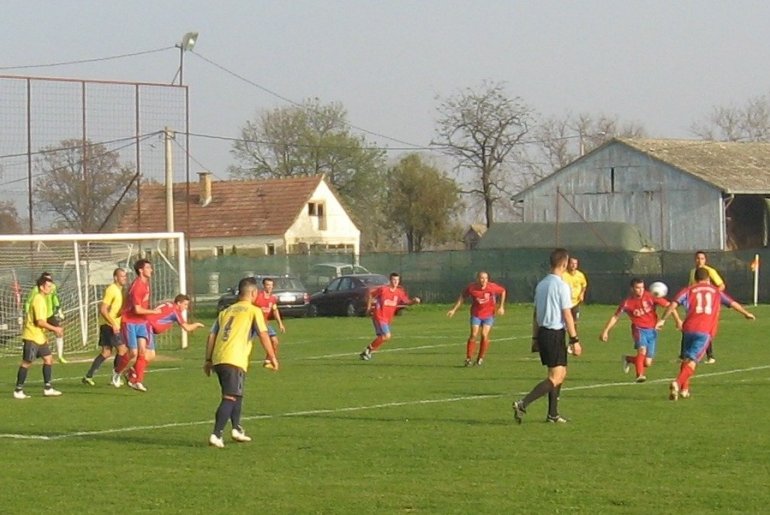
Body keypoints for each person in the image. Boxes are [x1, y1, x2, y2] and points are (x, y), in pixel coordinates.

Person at [204, 277, 277, 448]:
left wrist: (208, 360)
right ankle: (216, 434)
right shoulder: (253, 311)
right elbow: (263, 334)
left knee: (236, 394)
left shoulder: (226, 311)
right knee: (229, 397)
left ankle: (236, 429)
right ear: (253, 293)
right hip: (234, 359)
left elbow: (212, 335)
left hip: (219, 358)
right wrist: (272, 356)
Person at [660, 267, 754, 400]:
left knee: (687, 358)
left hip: (688, 329)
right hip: (704, 331)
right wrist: (746, 313)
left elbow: (673, 304)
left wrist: (662, 320)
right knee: (692, 361)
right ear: (708, 279)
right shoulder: (716, 292)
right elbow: (732, 303)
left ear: (695, 279)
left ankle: (684, 390)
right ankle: (677, 382)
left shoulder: (688, 290)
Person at [512, 248, 580, 424]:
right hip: (554, 333)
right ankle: (523, 403)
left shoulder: (541, 284)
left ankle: (553, 414)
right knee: (555, 377)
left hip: (543, 333)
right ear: (564, 264)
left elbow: (536, 314)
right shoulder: (561, 286)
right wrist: (575, 340)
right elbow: (567, 314)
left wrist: (534, 338)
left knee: (560, 373)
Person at [599, 278, 680, 383]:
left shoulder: (650, 297)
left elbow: (670, 306)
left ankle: (628, 359)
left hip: (652, 330)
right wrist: (606, 331)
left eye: (642, 287)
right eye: (638, 288)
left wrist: (678, 320)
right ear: (632, 289)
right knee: (642, 350)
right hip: (638, 329)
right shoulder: (627, 302)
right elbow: (615, 317)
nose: (641, 290)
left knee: (647, 362)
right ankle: (640, 375)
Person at [113, 259, 161, 392]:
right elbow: (137, 310)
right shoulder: (137, 286)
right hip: (130, 322)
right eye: (148, 268)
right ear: (141, 270)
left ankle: (136, 380)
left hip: (142, 322)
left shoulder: (146, 284)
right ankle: (117, 372)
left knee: (143, 352)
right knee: (132, 352)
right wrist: (154, 312)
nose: (151, 270)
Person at [13, 275, 64, 399]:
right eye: (48, 286)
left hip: (40, 336)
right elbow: (40, 322)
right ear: (41, 287)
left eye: (51, 286)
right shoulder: (38, 299)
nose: (50, 289)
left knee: (48, 359)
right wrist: (55, 329)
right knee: (27, 362)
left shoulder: (43, 298)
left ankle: (48, 388)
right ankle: (18, 390)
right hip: (32, 335)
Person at [446, 271, 506, 366]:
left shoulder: (492, 287)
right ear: (477, 279)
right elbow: (462, 297)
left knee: (484, 335)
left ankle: (480, 358)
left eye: (486, 278)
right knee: (473, 334)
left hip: (489, 315)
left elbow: (503, 291)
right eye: (482, 278)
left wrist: (501, 306)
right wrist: (454, 310)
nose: (484, 280)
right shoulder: (472, 288)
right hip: (476, 314)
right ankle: (468, 358)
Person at [82, 268, 129, 386]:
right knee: (122, 350)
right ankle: (115, 378)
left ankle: (88, 376)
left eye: (125, 276)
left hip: (112, 325)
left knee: (106, 352)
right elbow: (103, 309)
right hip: (109, 326)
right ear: (115, 278)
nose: (124, 278)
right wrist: (113, 323)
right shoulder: (111, 290)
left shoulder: (121, 290)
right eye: (122, 276)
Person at [359, 272, 421, 361]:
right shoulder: (383, 290)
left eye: (397, 280)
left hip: (387, 319)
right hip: (379, 315)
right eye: (393, 280)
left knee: (383, 337)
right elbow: (370, 294)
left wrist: (414, 301)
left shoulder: (399, 292)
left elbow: (406, 302)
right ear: (390, 280)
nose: (395, 282)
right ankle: (368, 351)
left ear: (399, 281)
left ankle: (367, 352)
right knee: (387, 336)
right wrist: (369, 308)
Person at [686, 250, 725, 364]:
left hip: (709, 306)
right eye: (698, 258)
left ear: (705, 260)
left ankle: (710, 355)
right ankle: (686, 355)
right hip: (696, 305)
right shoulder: (693, 272)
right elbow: (690, 287)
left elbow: (721, 285)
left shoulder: (710, 271)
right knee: (690, 327)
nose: (699, 260)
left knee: (706, 329)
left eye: (702, 258)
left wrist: (713, 295)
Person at [24, 272, 67, 363]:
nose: (50, 285)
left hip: (49, 314)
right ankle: (30, 347)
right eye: (48, 282)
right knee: (27, 362)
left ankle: (60, 355)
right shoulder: (36, 293)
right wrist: (27, 313)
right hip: (39, 318)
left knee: (59, 332)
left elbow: (55, 298)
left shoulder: (52, 287)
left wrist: (59, 309)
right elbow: (28, 302)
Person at [253, 277, 286, 369]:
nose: (270, 287)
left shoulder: (272, 298)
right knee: (246, 343)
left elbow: (275, 311)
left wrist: (280, 324)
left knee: (275, 341)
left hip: (265, 324)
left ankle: (267, 361)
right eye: (268, 285)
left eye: (271, 285)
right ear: (263, 286)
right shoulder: (257, 296)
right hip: (254, 324)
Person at [562, 257, 587, 355]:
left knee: (574, 323)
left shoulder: (580, 275)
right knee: (564, 324)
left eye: (575, 264)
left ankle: (572, 343)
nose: (573, 265)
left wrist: (582, 294)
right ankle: (563, 343)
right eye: (572, 263)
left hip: (575, 303)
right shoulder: (563, 275)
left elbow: (584, 285)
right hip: (565, 303)